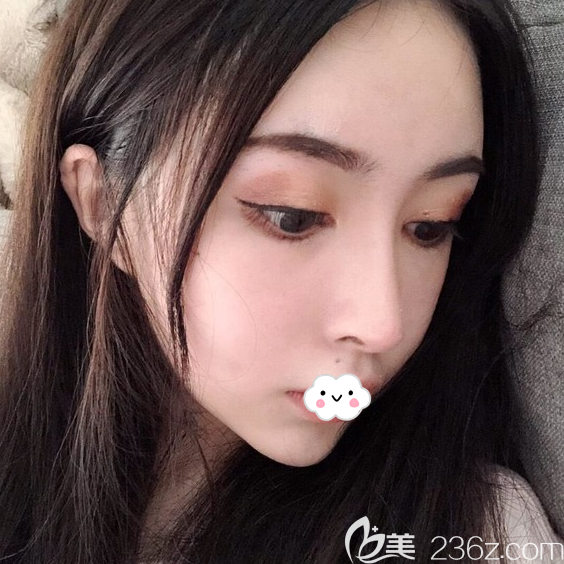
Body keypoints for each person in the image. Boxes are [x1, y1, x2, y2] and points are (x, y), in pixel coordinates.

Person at [0, 0, 562, 562]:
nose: (383, 325)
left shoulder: (481, 532)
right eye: (292, 216)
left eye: (430, 226)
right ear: (103, 203)